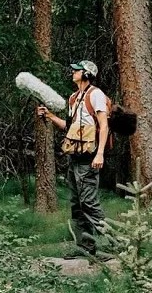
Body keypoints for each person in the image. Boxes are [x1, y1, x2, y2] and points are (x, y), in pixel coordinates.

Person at [37, 60, 109, 258]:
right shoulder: (73, 98)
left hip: (90, 158)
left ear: (86, 74)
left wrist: (100, 152)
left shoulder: (96, 95)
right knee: (77, 205)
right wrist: (50, 116)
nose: (73, 72)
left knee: (90, 203)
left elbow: (103, 125)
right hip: (74, 157)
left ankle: (114, 244)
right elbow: (69, 128)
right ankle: (86, 247)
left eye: (77, 70)